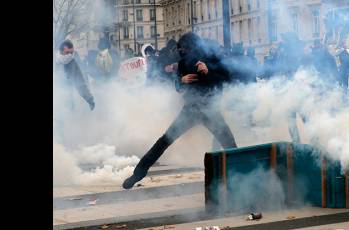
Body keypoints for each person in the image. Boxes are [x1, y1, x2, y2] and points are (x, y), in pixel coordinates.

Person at [122, 32, 237, 189]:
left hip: (210, 110)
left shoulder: (212, 59)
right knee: (164, 141)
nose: (183, 52)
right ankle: (138, 173)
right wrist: (181, 81)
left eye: (185, 49)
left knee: (229, 145)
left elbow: (228, 78)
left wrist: (208, 71)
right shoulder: (183, 64)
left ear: (194, 47)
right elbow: (178, 85)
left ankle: (242, 175)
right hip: (191, 109)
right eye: (181, 50)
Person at [56, 40, 95, 111]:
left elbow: (80, 83)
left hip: (67, 99)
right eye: (67, 53)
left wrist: (89, 99)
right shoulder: (55, 61)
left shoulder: (72, 63)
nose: (70, 55)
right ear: (61, 51)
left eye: (71, 53)